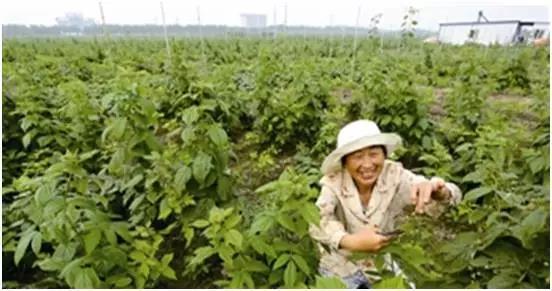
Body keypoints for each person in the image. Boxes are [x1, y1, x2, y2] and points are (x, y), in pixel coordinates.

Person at [309, 120, 462, 289]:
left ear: (384, 154)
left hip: (380, 264)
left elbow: (427, 189)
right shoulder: (333, 182)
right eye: (358, 157)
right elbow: (318, 222)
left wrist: (439, 192)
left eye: (374, 154)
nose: (367, 164)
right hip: (340, 267)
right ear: (345, 162)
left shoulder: (394, 175)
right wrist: (351, 241)